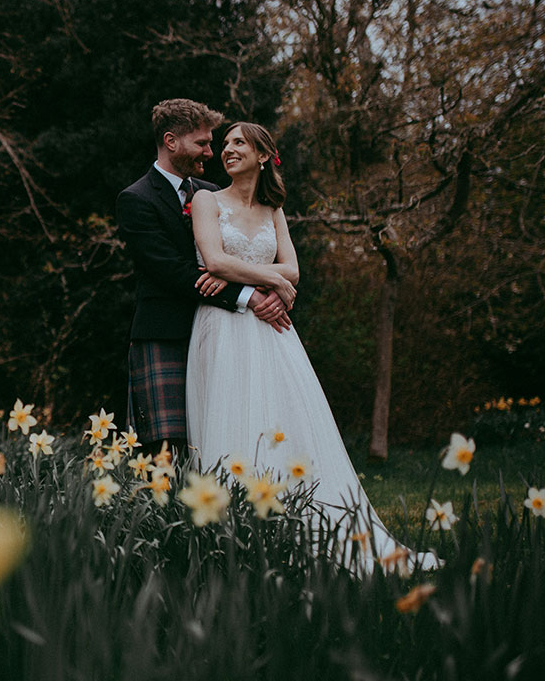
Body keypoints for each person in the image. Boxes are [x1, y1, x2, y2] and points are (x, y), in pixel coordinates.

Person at [185, 121, 437, 568]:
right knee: (229, 415)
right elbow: (216, 258)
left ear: (264, 155)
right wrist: (270, 283)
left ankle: (290, 527)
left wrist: (271, 282)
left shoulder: (273, 209)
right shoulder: (206, 200)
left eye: (239, 143)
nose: (227, 150)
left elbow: (295, 270)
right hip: (223, 328)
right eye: (225, 144)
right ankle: (231, 540)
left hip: (271, 331)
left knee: (282, 419)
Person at [116, 100, 290, 461]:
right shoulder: (136, 199)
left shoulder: (212, 194)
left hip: (220, 335)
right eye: (203, 144)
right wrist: (248, 297)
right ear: (171, 141)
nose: (212, 152)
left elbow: (242, 258)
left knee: (222, 439)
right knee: (168, 452)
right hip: (166, 335)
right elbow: (172, 271)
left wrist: (273, 292)